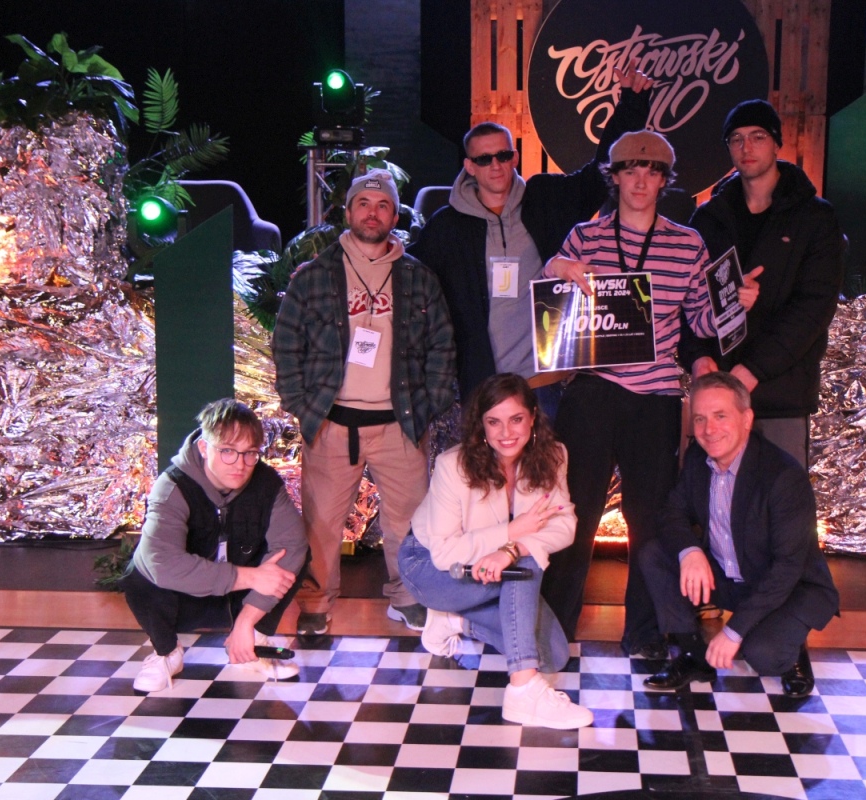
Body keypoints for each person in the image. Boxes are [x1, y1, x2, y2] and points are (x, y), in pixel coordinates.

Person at [538, 130, 754, 658]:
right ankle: (553, 630)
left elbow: (700, 320)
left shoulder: (688, 243)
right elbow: (549, 300)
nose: (640, 181)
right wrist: (557, 267)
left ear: (664, 180)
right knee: (572, 514)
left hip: (656, 397)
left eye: (652, 172)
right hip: (593, 390)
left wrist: (737, 304)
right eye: (630, 171)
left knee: (651, 520)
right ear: (613, 178)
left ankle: (646, 633)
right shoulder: (586, 235)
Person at [273, 169, 457, 636]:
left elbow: (442, 345)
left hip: (400, 423)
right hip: (332, 424)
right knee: (321, 524)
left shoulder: (418, 278)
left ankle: (407, 597)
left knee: (408, 523)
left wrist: (429, 405)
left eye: (383, 205)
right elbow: (287, 344)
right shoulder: (315, 276)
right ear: (349, 211)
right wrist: (301, 404)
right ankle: (316, 602)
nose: (372, 213)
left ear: (395, 216)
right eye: (364, 203)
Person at [409, 62, 652, 410]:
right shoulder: (448, 226)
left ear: (515, 157)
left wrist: (631, 103)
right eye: (485, 159)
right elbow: (407, 274)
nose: (496, 165)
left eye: (503, 155)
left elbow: (597, 177)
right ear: (469, 166)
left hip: (544, 382)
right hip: (483, 385)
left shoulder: (544, 200)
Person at [398, 373, 591, 729]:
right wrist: (513, 533)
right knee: (526, 566)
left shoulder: (553, 456)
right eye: (494, 422)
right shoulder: (453, 466)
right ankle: (523, 690)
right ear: (481, 425)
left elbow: (565, 525)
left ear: (533, 417)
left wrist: (510, 549)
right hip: (430, 569)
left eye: (516, 419)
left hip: (497, 570)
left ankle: (453, 621)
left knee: (554, 654)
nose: (506, 432)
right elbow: (444, 552)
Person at [640, 372, 839, 696]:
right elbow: (671, 513)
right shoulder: (698, 459)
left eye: (720, 416)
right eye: (700, 418)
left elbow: (787, 569)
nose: (708, 429)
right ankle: (693, 656)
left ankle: (792, 649)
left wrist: (732, 632)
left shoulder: (782, 476)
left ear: (746, 420)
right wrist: (690, 551)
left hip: (787, 587)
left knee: (763, 654)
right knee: (655, 554)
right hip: (731, 577)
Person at [680, 99, 843, 469]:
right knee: (714, 499)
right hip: (718, 395)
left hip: (780, 395)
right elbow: (686, 299)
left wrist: (752, 371)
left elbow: (813, 308)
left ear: (776, 143)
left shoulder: (815, 218)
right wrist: (698, 358)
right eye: (736, 139)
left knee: (781, 499)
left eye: (757, 137)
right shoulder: (708, 219)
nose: (746, 147)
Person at [122, 399, 308, 693]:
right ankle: (166, 652)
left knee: (292, 558)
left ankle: (252, 642)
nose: (240, 464)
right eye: (227, 451)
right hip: (187, 594)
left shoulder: (267, 484)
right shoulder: (172, 486)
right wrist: (251, 577)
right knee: (141, 571)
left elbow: (292, 546)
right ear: (203, 448)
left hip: (239, 599)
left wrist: (247, 622)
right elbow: (163, 564)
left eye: (250, 453)